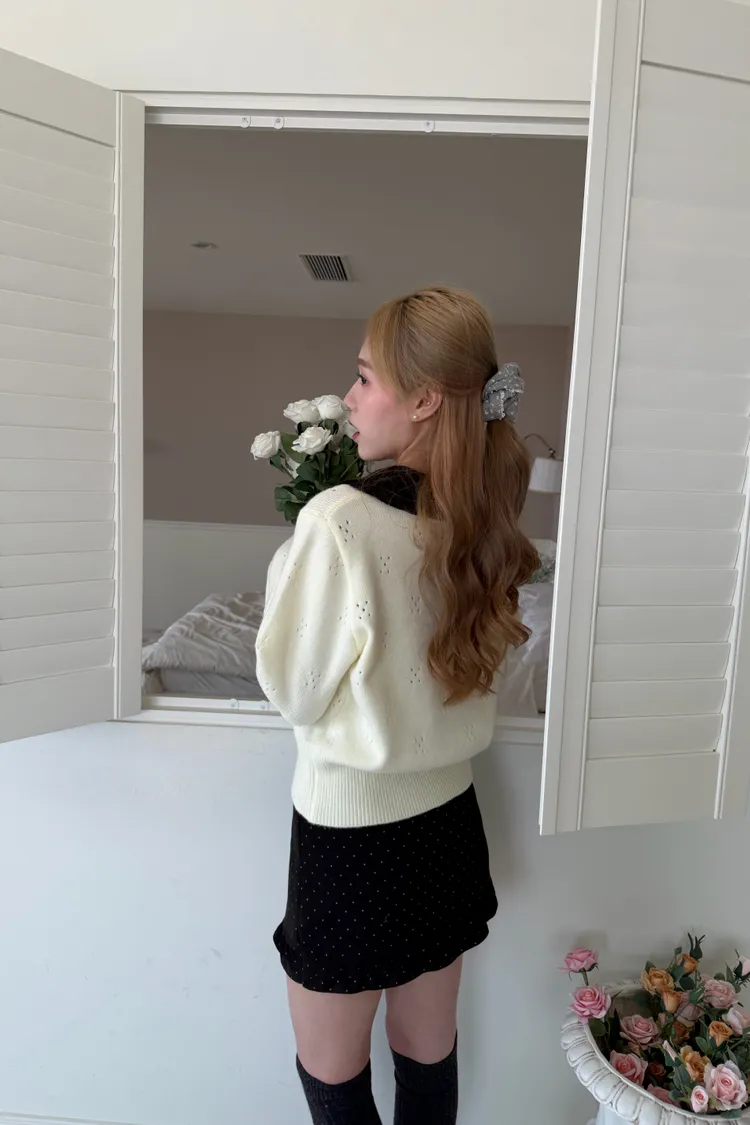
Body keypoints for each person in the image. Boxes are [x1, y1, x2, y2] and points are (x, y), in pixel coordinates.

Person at [255, 286, 538, 1124]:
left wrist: (293, 553)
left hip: (351, 840)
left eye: (365, 377)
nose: (349, 397)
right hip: (446, 827)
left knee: (333, 1079)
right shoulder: (479, 524)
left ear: (424, 400)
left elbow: (294, 690)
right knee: (427, 1058)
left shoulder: (340, 518)